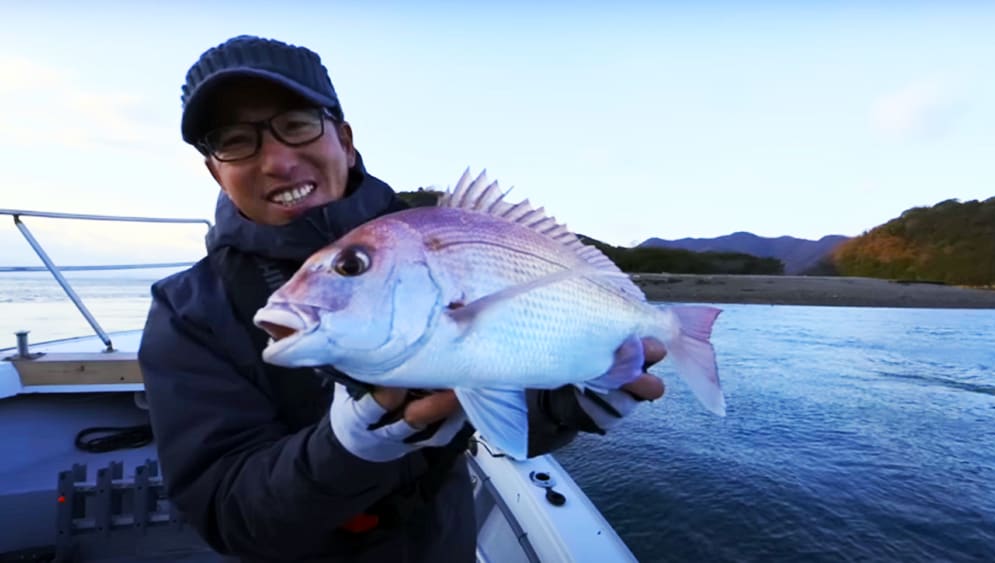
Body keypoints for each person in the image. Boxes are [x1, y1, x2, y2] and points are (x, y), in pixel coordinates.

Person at [138, 34, 666, 563]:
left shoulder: (431, 236)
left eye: (296, 125)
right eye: (234, 140)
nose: (276, 161)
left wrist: (568, 405)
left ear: (344, 140)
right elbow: (226, 514)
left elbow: (500, 380)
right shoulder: (186, 312)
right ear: (216, 171)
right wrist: (344, 448)